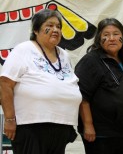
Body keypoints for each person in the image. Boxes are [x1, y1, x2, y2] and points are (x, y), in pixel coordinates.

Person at [0, 9, 82, 154]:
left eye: (58, 26)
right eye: (50, 25)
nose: (56, 29)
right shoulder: (23, 49)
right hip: (30, 127)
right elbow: (5, 84)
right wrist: (10, 119)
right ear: (36, 30)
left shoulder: (64, 55)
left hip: (61, 127)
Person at [75, 18, 123, 154]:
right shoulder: (91, 60)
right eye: (106, 35)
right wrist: (88, 125)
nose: (112, 38)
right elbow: (81, 96)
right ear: (99, 38)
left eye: (116, 34)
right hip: (103, 135)